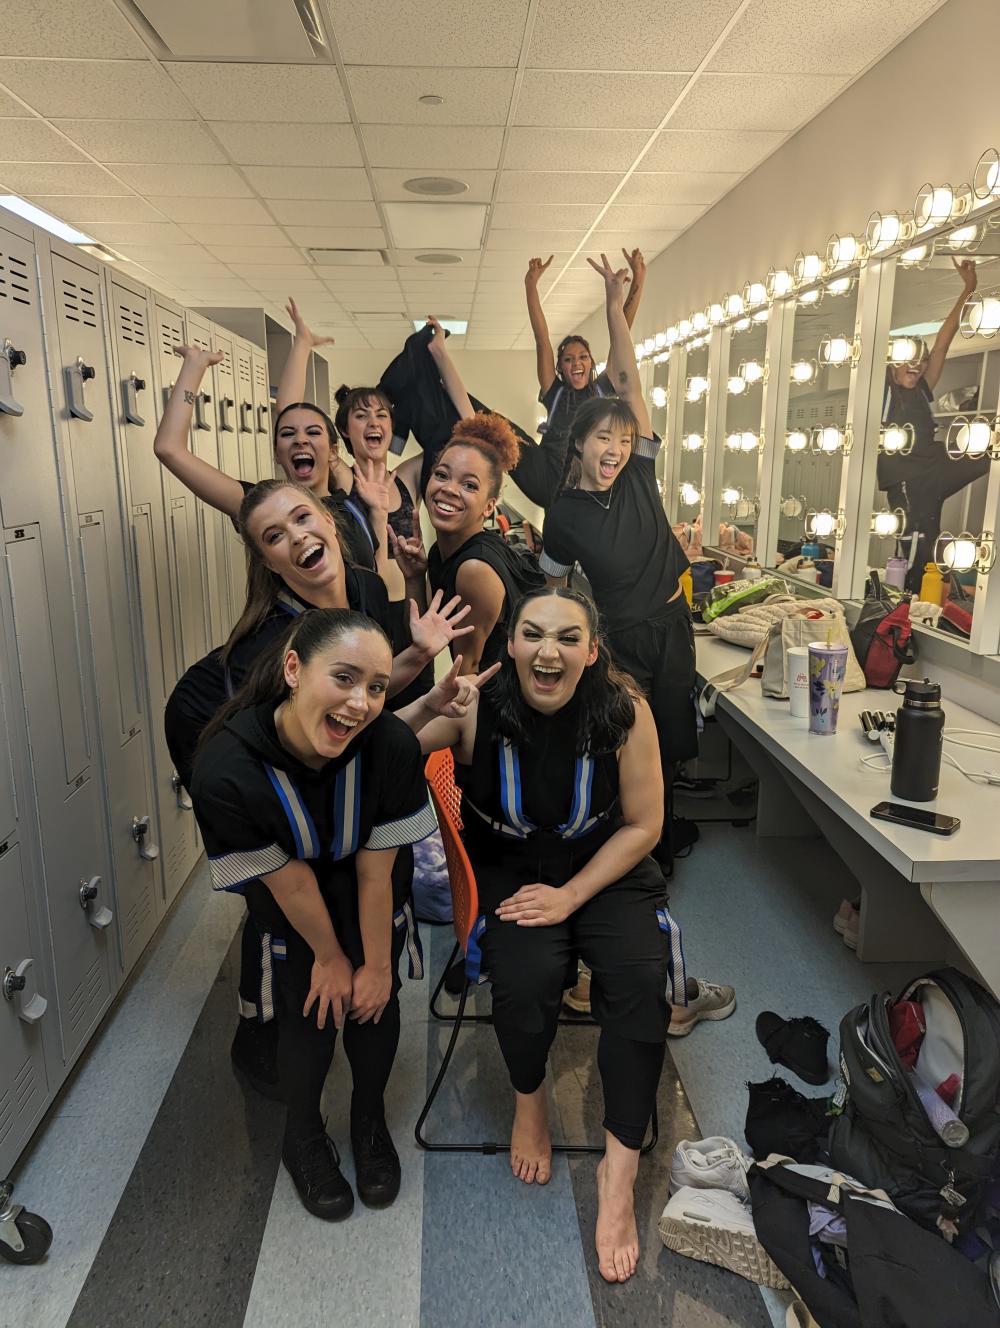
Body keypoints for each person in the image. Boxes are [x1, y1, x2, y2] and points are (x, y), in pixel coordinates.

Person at [398, 586, 688, 1283]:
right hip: (511, 866)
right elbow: (380, 750)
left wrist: (572, 896)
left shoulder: (625, 710)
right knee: (525, 980)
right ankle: (530, 1102)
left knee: (640, 984)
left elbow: (645, 826)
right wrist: (428, 697)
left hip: (603, 866)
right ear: (510, 646)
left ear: (591, 652)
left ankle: (616, 1181)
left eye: (566, 637)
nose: (547, 651)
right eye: (532, 634)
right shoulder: (475, 710)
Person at [164, 479, 472, 1100]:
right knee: (291, 934)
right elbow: (332, 745)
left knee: (364, 936)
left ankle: (363, 1101)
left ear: (331, 521)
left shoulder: (360, 586)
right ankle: (265, 1043)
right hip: (278, 805)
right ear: (266, 561)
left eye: (303, 518)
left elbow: (367, 722)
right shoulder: (271, 655)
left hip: (342, 794)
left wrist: (418, 660)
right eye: (274, 536)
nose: (297, 537)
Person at [190, 608, 441, 1220]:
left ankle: (367, 1118)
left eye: (377, 688)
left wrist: (375, 964)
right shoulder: (228, 766)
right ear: (295, 668)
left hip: (368, 881)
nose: (360, 703)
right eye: (345, 678)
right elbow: (290, 881)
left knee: (373, 1003)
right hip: (294, 895)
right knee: (310, 1008)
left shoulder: (391, 748)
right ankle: (301, 1133)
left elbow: (376, 869)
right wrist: (329, 957)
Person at [539, 255, 698, 879]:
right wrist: (562, 650)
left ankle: (663, 826)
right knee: (635, 738)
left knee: (678, 736)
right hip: (621, 640)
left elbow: (628, 380)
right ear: (579, 441)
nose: (616, 450)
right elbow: (553, 588)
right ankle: (641, 843)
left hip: (671, 624)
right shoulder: (564, 513)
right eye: (605, 439)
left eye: (624, 440)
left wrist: (615, 307)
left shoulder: (639, 472)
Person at [153, 344, 380, 575]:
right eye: (288, 433)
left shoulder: (351, 505)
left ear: (332, 451)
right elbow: (169, 449)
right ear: (277, 453)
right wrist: (194, 366)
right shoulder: (262, 506)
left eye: (312, 432)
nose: (300, 440)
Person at [393, 413, 545, 678]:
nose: (450, 489)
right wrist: (415, 577)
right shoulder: (442, 552)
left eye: (469, 485)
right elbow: (422, 636)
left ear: (489, 507)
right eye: (442, 474)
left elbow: (466, 675)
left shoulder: (474, 570)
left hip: (504, 706)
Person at [878, 258, 990, 592]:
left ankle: (919, 595)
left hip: (936, 466)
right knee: (918, 545)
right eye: (908, 362)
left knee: (990, 455)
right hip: (906, 481)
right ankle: (907, 601)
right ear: (893, 364)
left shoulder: (924, 387)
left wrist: (968, 289)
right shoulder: (882, 391)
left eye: (921, 361)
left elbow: (943, 340)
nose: (916, 366)